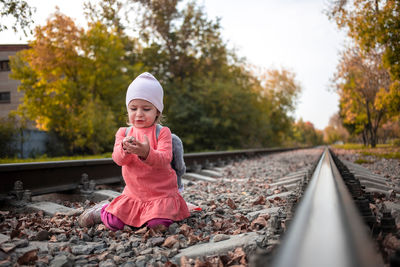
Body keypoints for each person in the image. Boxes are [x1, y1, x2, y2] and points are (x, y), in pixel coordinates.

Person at [78, 72, 190, 230]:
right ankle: (103, 210)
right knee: (114, 223)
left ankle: (159, 212)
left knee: (158, 225)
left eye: (146, 109)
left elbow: (165, 158)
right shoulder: (123, 133)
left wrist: (146, 153)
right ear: (128, 109)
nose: (139, 114)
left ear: (157, 111)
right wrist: (124, 148)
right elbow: (118, 159)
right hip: (134, 194)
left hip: (160, 194)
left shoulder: (162, 132)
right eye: (133, 108)